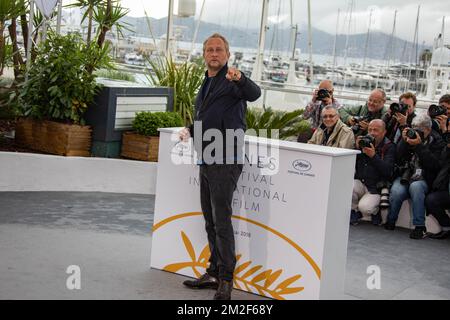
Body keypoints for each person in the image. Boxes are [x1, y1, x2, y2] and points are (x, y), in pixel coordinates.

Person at [178, 33, 261, 300]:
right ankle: (213, 271)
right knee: (210, 220)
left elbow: (254, 93)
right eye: (210, 50)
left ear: (227, 54)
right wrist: (190, 130)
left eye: (219, 50)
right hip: (206, 158)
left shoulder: (232, 80)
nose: (214, 54)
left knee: (222, 221)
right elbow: (208, 116)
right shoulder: (207, 82)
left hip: (226, 159)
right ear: (204, 55)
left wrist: (241, 78)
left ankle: (226, 278)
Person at [384, 114, 446, 239]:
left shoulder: (437, 141)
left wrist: (419, 146)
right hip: (406, 174)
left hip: (425, 177)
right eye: (414, 127)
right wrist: (403, 141)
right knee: (397, 191)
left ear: (428, 129)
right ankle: (391, 221)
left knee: (416, 188)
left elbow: (434, 165)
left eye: (420, 129)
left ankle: (420, 227)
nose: (416, 131)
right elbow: (399, 157)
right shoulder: (409, 136)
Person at [350, 120, 395, 226]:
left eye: (376, 130)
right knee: (348, 187)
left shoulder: (389, 146)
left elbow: (388, 171)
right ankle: (354, 211)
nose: (372, 133)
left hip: (375, 187)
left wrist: (373, 156)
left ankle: (375, 211)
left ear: (384, 132)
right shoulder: (364, 142)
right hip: (361, 182)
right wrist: (357, 149)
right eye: (370, 129)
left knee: (365, 208)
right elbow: (353, 164)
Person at [425, 141, 450, 239]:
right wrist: (448, 149)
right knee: (431, 200)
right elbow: (440, 164)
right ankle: (447, 227)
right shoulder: (446, 148)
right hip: (446, 189)